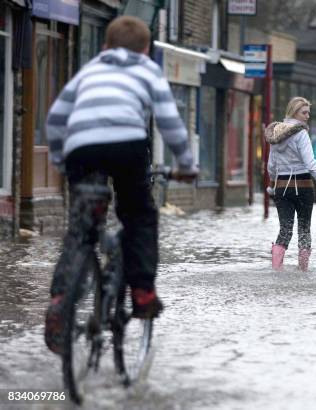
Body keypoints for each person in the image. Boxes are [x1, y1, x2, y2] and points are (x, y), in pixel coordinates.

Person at [43, 16, 198, 354]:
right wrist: (187, 164)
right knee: (139, 215)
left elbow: (55, 119)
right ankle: (142, 292)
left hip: (81, 149)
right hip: (128, 145)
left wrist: (58, 160)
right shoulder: (147, 69)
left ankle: (59, 299)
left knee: (81, 228)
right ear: (146, 50)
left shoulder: (90, 70)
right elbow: (171, 123)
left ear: (105, 46)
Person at [266, 97, 316, 271]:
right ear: (294, 112)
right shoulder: (301, 133)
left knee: (285, 230)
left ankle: (276, 272)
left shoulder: (275, 132)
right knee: (304, 229)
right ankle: (303, 272)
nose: (308, 116)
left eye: (308, 112)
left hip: (281, 188)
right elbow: (311, 164)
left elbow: (271, 166)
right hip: (303, 187)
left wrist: (272, 184)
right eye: (304, 112)